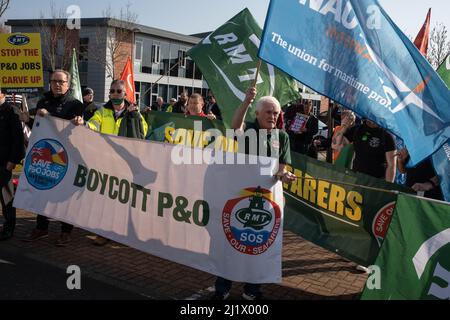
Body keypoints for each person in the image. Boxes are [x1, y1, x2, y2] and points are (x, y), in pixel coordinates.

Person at [210, 87, 296, 301]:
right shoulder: (248, 129)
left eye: (276, 113)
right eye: (268, 112)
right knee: (230, 243)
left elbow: (281, 169)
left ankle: (252, 290)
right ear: (257, 114)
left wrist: (284, 176)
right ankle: (222, 289)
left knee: (259, 245)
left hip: (266, 202)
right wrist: (247, 100)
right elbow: (234, 126)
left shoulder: (282, 137)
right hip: (238, 199)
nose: (273, 116)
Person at [72, 79, 148, 245]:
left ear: (125, 94)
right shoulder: (102, 111)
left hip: (126, 163)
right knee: (106, 198)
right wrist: (84, 123)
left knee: (125, 199)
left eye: (118, 91)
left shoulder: (134, 111)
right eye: (112, 91)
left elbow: (144, 131)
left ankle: (124, 231)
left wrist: (134, 115)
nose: (115, 94)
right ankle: (105, 232)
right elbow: (94, 124)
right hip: (106, 161)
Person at [24, 69, 83, 246]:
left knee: (65, 194)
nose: (57, 84)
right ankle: (41, 228)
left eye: (61, 82)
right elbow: (38, 129)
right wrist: (29, 119)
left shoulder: (76, 104)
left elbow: (81, 130)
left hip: (67, 156)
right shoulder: (43, 101)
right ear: (49, 82)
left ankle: (66, 232)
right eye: (54, 81)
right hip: (47, 154)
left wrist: (79, 122)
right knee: (42, 189)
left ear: (68, 85)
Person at [0, 88, 26, 241]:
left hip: (4, 162)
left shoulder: (11, 111)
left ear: (3, 94)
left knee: (6, 197)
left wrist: (13, 161)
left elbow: (18, 139)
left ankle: (9, 228)